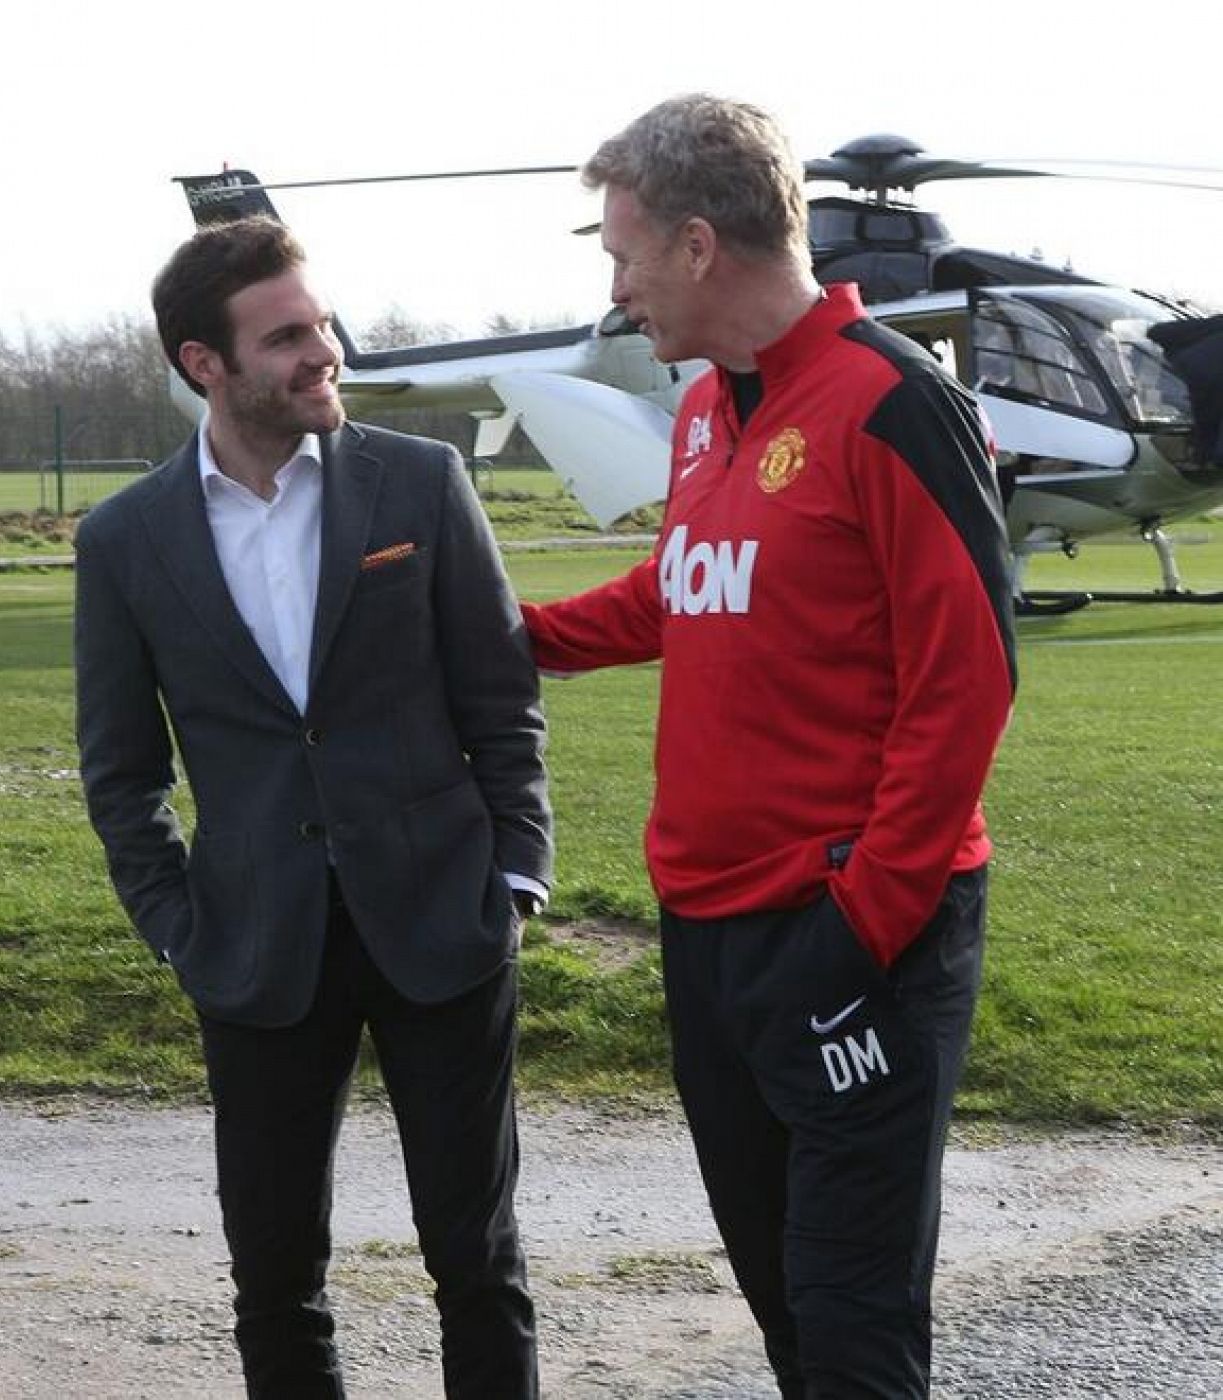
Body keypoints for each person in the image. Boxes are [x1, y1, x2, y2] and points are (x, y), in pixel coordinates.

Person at [520, 95, 1017, 1398]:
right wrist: (501, 636)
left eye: (622, 255)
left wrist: (859, 929)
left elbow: (963, 684)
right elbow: (675, 590)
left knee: (849, 1321)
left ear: (695, 248)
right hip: (708, 936)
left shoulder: (891, 404)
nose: (614, 289)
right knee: (784, 1308)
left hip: (851, 930)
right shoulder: (702, 416)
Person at [74, 215, 553, 1399]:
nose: (322, 350)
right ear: (205, 364)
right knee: (276, 1278)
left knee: (476, 1262)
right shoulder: (127, 539)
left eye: (321, 322)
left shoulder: (421, 483)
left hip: (445, 920)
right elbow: (121, 772)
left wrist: (515, 875)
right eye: (287, 336)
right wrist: (178, 925)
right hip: (253, 946)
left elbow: (502, 700)